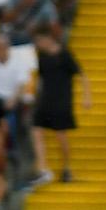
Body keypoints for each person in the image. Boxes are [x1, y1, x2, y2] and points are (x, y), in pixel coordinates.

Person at [31, 22, 86, 183]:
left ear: (47, 39)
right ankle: (43, 168)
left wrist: (86, 97)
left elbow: (82, 75)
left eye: (40, 40)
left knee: (61, 135)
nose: (38, 44)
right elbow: (40, 78)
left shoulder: (64, 55)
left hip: (61, 101)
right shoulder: (41, 57)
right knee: (36, 130)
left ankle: (67, 167)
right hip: (45, 100)